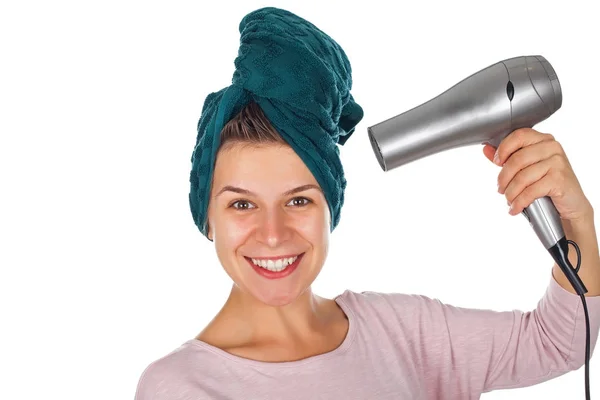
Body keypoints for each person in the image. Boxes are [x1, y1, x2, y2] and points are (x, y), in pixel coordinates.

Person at [134, 6, 600, 400]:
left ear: (329, 210)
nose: (273, 234)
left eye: (298, 199)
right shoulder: (178, 387)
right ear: (207, 216)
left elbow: (559, 342)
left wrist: (578, 218)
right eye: (242, 205)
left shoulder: (401, 333)